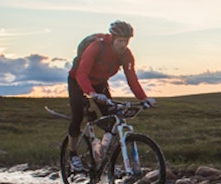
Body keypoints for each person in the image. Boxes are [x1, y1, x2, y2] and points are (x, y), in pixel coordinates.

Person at [66, 20, 155, 170]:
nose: (123, 44)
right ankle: (72, 155)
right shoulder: (96, 47)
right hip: (78, 80)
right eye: (120, 40)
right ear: (112, 38)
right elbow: (82, 73)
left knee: (112, 118)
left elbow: (132, 78)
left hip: (99, 83)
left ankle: (104, 156)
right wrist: (91, 93)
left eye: (126, 41)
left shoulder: (126, 55)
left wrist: (144, 98)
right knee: (77, 116)